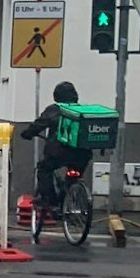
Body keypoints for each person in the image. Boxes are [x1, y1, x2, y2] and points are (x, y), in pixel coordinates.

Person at [20, 80, 94, 210]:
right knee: (73, 175)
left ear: (56, 96)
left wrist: (27, 133)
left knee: (44, 169)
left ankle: (49, 200)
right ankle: (70, 196)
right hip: (83, 154)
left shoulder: (54, 110)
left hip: (59, 153)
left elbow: (38, 125)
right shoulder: (82, 111)